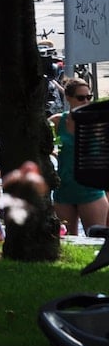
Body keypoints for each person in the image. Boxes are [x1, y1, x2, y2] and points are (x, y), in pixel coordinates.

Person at [51, 78, 107, 236]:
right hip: (64, 190)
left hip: (91, 192)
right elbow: (38, 144)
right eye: (81, 98)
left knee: (95, 241)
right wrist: (53, 152)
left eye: (89, 97)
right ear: (68, 98)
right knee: (67, 243)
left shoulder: (98, 123)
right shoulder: (57, 122)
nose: (86, 102)